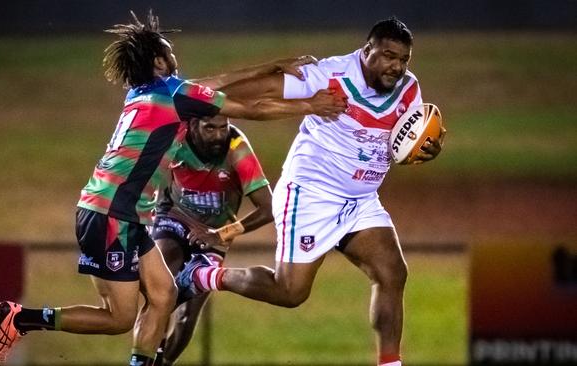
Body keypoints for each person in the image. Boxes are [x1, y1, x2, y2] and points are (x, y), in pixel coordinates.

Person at [0, 10, 346, 366]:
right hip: (114, 214)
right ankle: (21, 318)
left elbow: (214, 81)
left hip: (121, 211)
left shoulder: (145, 92)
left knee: (164, 294)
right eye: (169, 51)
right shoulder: (173, 95)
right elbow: (248, 107)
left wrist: (271, 67)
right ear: (159, 61)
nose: (175, 56)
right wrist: (309, 105)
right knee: (119, 317)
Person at [176, 17, 446, 366]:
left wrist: (426, 147)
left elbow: (408, 137)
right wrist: (204, 97)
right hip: (311, 193)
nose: (396, 66)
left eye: (403, 59)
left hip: (360, 200)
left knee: (392, 272)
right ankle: (203, 275)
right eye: (387, 55)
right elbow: (262, 92)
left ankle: (390, 364)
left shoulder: (408, 88)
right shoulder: (329, 76)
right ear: (366, 51)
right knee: (289, 293)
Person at [151, 114, 273, 365]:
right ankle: (148, 354)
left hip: (215, 233)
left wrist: (221, 234)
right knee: (163, 279)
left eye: (223, 127)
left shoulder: (237, 149)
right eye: (210, 128)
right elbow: (144, 171)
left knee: (188, 313)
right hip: (174, 215)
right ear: (192, 125)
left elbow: (269, 208)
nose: (218, 135)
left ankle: (163, 362)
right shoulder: (175, 137)